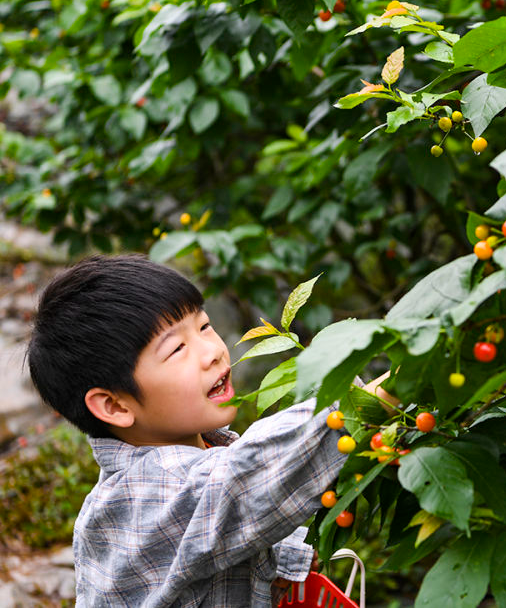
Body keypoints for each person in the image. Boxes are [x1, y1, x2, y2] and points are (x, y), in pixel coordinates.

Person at [27, 254, 396, 607]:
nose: (212, 352)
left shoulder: (206, 448)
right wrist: (384, 393)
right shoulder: (137, 500)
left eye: (204, 326)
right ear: (116, 406)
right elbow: (240, 483)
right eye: (176, 349)